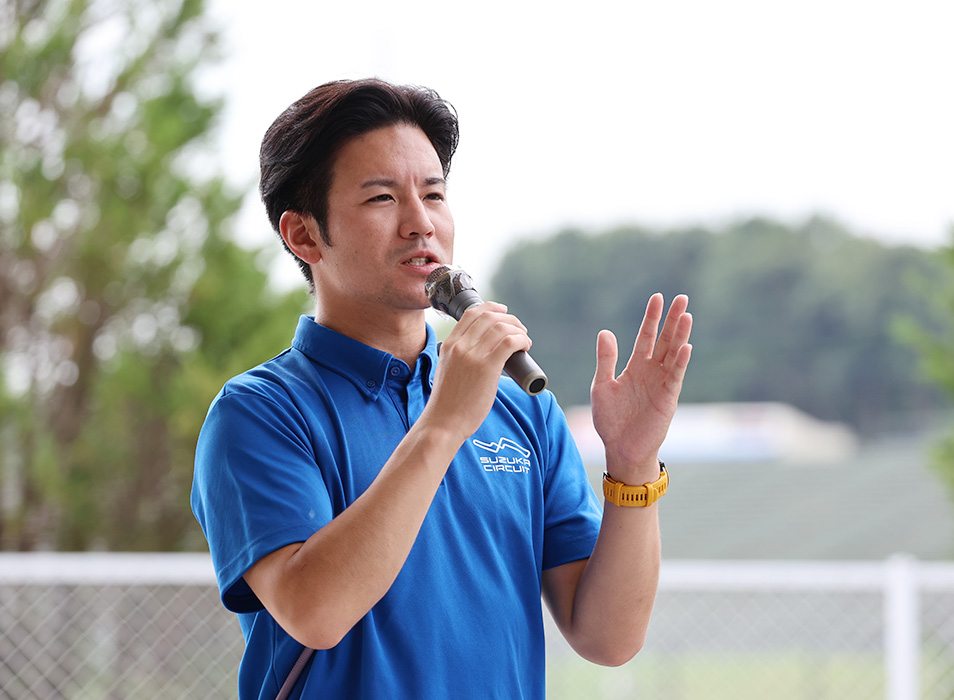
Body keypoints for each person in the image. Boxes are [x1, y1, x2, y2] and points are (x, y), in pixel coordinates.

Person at [191, 77, 693, 699]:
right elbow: (314, 611)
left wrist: (635, 463)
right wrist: (443, 424)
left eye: (434, 193)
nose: (420, 223)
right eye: (381, 198)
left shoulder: (519, 405)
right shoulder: (259, 414)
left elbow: (609, 638)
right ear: (303, 235)